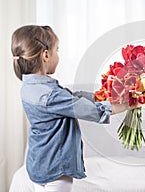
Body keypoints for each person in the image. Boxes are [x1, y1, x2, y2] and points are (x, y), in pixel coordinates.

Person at [11, 25, 131, 192]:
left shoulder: (29, 87)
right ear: (46, 55)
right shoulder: (51, 95)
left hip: (37, 164)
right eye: (57, 50)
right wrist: (128, 104)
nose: (58, 55)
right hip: (56, 170)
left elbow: (72, 97)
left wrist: (103, 94)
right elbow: (92, 111)